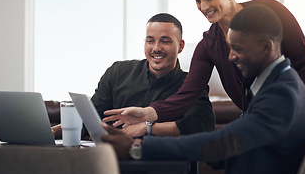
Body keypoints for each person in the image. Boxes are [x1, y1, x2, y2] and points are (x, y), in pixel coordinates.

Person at [101, 5, 305, 174]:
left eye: (238, 49)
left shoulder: (280, 96)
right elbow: (233, 141)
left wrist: (136, 148)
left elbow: (222, 143)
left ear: (266, 47)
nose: (231, 57)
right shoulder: (281, 83)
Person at [104, 0, 305, 128]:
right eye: (197, 0)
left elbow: (303, 61)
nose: (202, 6)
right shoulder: (208, 45)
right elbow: (187, 95)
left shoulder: (271, 11)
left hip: (302, 94)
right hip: (258, 106)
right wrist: (148, 113)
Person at [52, 13, 215, 138]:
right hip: (112, 160)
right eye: (150, 40)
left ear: (180, 46)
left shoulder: (191, 84)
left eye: (165, 41)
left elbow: (202, 125)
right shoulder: (118, 72)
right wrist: (51, 132)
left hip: (159, 163)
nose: (156, 48)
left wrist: (147, 127)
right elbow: (91, 119)